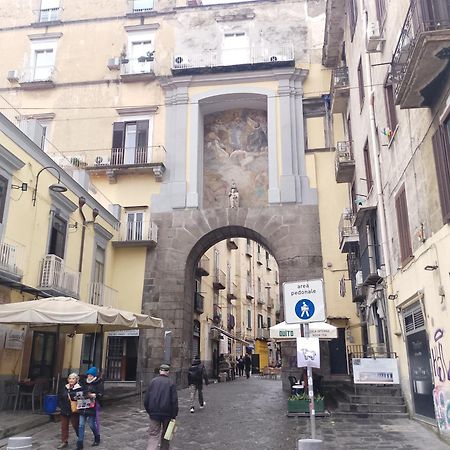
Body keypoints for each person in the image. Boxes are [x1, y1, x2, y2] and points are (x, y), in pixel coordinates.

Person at [144, 364, 178, 450]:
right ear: (168, 372)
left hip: (154, 413)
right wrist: (174, 415)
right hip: (167, 414)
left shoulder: (153, 381)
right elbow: (174, 401)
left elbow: (146, 399)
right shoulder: (171, 383)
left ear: (160, 371)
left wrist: (149, 411)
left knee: (153, 435)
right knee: (166, 435)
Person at [76, 367, 103, 450]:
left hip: (92, 407)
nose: (89, 376)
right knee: (81, 425)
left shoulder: (98, 383)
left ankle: (97, 437)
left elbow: (101, 394)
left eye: (91, 375)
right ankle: (80, 444)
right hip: (82, 406)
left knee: (91, 424)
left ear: (94, 376)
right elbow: (79, 391)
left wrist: (94, 395)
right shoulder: (83, 383)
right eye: (88, 375)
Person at [57, 373, 81, 449]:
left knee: (76, 425)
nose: (71, 380)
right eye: (70, 378)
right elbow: (60, 397)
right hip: (64, 409)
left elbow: (80, 398)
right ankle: (64, 441)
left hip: (74, 410)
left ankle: (80, 438)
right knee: (64, 426)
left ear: (76, 380)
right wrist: (61, 405)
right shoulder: (64, 387)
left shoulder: (79, 388)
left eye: (73, 378)